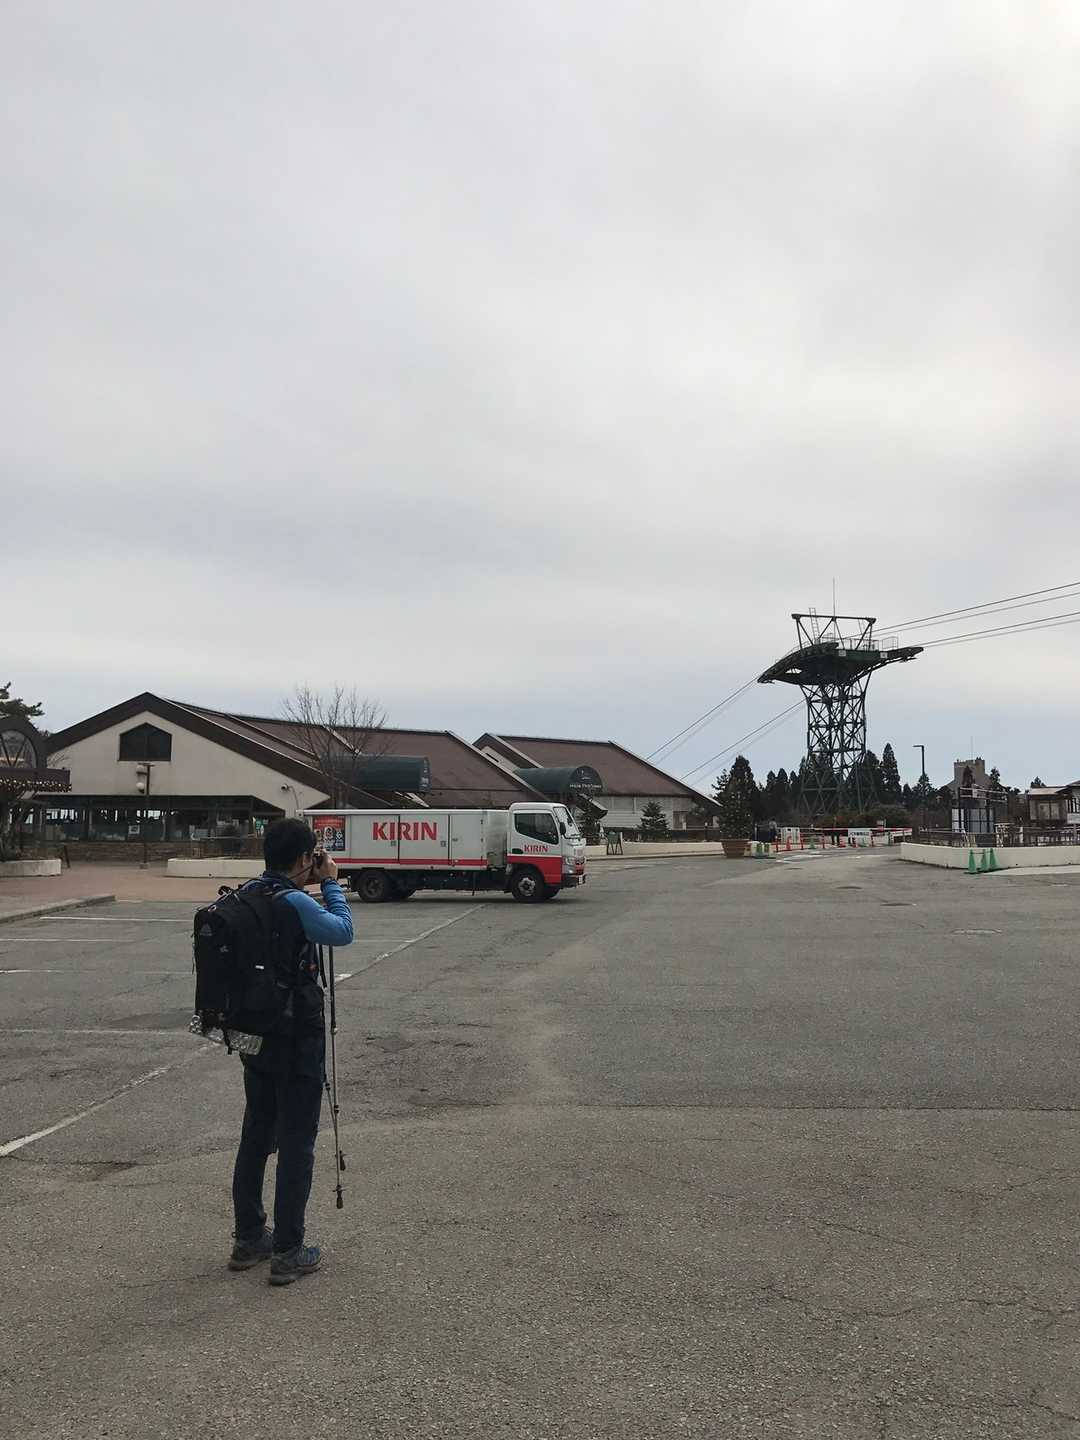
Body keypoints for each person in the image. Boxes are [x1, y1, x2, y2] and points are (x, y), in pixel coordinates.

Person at [228, 817, 354, 1286]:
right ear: (304, 858)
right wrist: (332, 884)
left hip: (251, 1033)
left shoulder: (246, 895)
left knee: (257, 1133)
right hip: (294, 1036)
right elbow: (342, 931)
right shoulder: (295, 900)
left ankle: (248, 1238)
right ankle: (287, 1250)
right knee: (297, 1141)